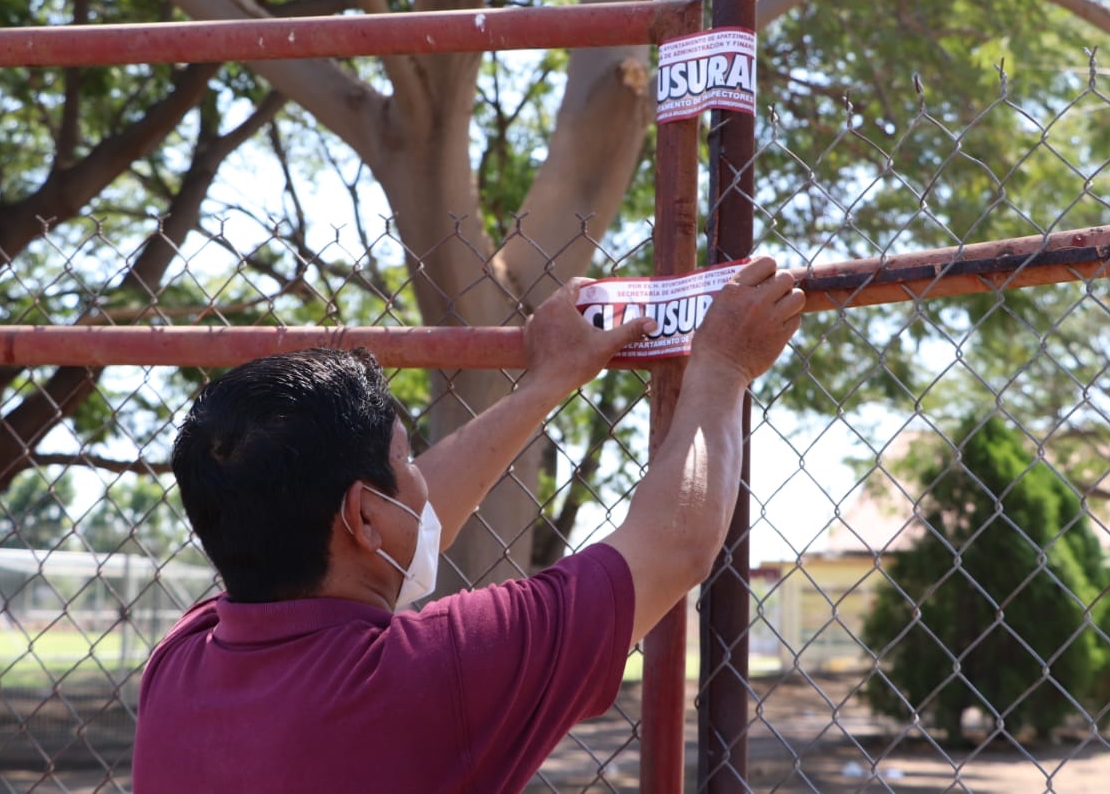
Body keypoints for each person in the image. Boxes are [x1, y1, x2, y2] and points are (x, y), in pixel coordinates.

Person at [132, 256, 806, 792]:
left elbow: (408, 523)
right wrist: (722, 367)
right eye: (407, 458)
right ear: (363, 517)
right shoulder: (426, 675)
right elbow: (675, 543)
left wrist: (546, 384)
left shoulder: (182, 660)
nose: (422, 476)